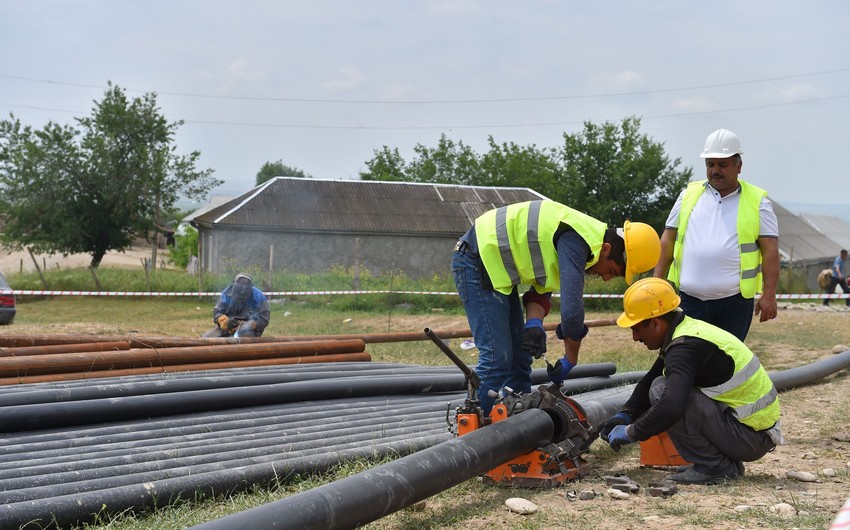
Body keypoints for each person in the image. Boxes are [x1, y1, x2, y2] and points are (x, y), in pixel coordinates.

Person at [452, 199, 661, 415]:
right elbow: (572, 313)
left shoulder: (581, 238)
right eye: (613, 271)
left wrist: (534, 323)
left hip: (495, 269)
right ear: (606, 249)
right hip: (475, 259)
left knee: (520, 358)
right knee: (498, 358)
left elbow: (543, 283)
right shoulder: (577, 240)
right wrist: (570, 359)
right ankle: (469, 433)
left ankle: (520, 424)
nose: (607, 278)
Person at [600, 277, 783, 485]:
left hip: (749, 438)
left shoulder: (684, 347)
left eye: (637, 329)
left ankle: (714, 466)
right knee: (658, 384)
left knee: (661, 392)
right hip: (750, 434)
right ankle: (723, 463)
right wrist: (626, 414)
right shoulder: (686, 330)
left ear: (656, 323)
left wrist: (631, 432)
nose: (635, 337)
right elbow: (650, 376)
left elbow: (671, 406)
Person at [653, 128, 779, 342]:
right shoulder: (687, 196)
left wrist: (769, 294)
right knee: (686, 358)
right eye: (710, 165)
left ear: (739, 166)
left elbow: (770, 252)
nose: (715, 170)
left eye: (722, 164)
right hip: (689, 302)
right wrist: (656, 282)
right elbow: (667, 240)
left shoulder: (759, 203)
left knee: (725, 363)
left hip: (734, 305)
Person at [203, 273, 271, 338]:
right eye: (239, 295)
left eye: (244, 296)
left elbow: (264, 318)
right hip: (229, 327)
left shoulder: (258, 297)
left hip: (249, 330)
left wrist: (252, 324)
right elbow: (217, 312)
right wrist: (225, 322)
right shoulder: (226, 294)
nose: (241, 298)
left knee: (240, 341)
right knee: (206, 338)